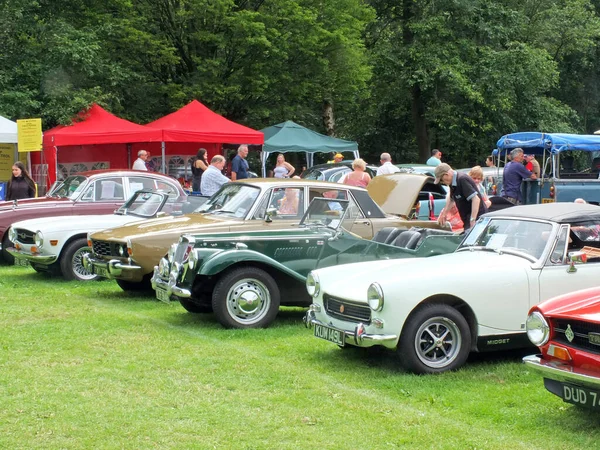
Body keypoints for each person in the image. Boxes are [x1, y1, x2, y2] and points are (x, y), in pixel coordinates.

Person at [435, 163, 486, 231]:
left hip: (477, 218)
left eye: (442, 179)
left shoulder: (461, 179)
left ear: (446, 175)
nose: (443, 182)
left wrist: (472, 220)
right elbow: (451, 199)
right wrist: (444, 214)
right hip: (467, 218)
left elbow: (476, 199)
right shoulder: (452, 182)